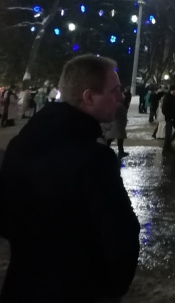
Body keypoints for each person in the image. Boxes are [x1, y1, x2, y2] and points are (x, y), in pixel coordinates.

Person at [0, 55, 140, 301]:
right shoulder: (95, 159)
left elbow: (5, 218)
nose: (120, 98)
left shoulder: (19, 145)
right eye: (115, 90)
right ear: (88, 97)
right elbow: (122, 235)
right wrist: (108, 290)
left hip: (21, 286)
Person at [161, 87, 175, 151]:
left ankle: (169, 142)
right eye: (173, 90)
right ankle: (166, 145)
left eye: (174, 90)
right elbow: (164, 108)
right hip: (169, 117)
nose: (174, 92)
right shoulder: (167, 98)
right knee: (168, 132)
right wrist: (168, 115)